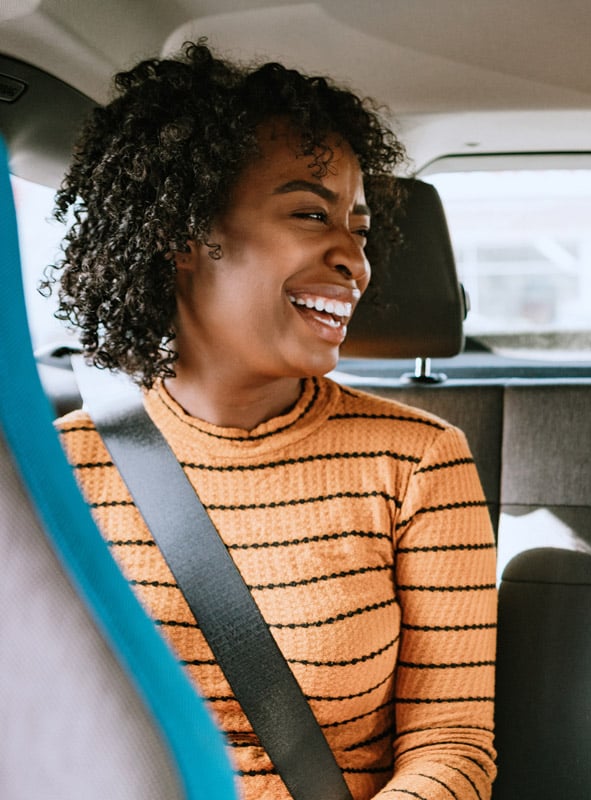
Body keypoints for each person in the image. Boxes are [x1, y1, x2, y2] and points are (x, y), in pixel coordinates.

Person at [47, 42, 497, 800]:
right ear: (179, 235)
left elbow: (452, 745)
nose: (356, 259)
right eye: (310, 213)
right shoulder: (57, 474)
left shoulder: (417, 462)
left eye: (358, 227)